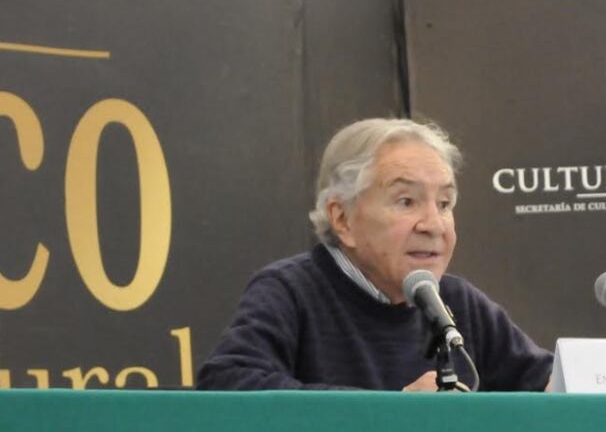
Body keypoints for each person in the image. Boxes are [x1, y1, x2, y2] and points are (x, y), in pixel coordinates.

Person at [197, 118, 552, 391]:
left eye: (444, 204)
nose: (434, 225)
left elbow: (547, 385)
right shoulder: (290, 291)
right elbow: (228, 382)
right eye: (406, 201)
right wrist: (389, 412)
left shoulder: (457, 303)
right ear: (343, 219)